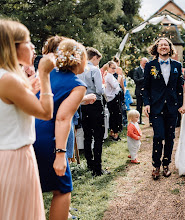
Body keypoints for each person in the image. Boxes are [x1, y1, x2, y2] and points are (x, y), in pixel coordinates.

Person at [0, 19, 54, 220]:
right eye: (27, 41)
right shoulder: (9, 80)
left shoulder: (5, 77)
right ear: (11, 46)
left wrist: (29, 89)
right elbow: (46, 112)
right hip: (15, 158)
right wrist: (45, 74)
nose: (32, 46)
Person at [33, 39, 87, 220]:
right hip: (49, 138)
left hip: (28, 133)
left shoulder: (45, 74)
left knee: (33, 187)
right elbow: (63, 119)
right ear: (79, 60)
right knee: (63, 188)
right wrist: (60, 154)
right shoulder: (77, 84)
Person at [143, 37, 183, 180]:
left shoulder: (177, 65)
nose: (163, 47)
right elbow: (145, 88)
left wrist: (181, 104)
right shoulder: (150, 65)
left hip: (172, 107)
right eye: (161, 45)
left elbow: (180, 86)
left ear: (170, 48)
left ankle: (166, 164)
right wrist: (146, 104)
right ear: (157, 48)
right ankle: (156, 165)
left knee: (170, 137)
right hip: (156, 106)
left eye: (166, 45)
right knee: (159, 136)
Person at [78, 47, 106, 176]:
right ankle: (97, 168)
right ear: (94, 58)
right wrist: (104, 87)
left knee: (87, 135)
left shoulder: (79, 69)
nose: (98, 63)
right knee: (98, 136)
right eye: (98, 61)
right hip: (95, 104)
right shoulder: (95, 70)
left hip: (83, 104)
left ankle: (89, 163)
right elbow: (99, 90)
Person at [105, 61, 122, 141]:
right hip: (112, 98)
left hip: (113, 97)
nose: (114, 70)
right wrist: (118, 80)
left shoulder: (110, 75)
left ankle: (113, 132)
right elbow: (115, 86)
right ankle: (115, 134)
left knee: (113, 116)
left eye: (115, 68)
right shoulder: (108, 76)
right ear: (108, 67)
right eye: (112, 68)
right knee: (115, 116)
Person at [133, 57, 148, 124]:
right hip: (139, 91)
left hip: (147, 91)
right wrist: (144, 78)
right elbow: (136, 80)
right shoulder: (136, 70)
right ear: (141, 62)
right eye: (144, 63)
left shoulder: (148, 70)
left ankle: (151, 121)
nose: (145, 64)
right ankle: (138, 120)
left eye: (146, 63)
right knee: (139, 106)